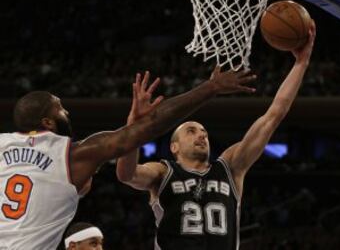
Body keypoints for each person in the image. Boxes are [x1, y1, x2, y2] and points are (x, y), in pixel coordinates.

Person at [0, 67, 255, 249]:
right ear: (47, 121)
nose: (67, 112)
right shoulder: (71, 154)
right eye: (61, 109)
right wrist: (210, 88)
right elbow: (150, 128)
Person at [116, 22, 316, 250]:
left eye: (204, 133)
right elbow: (126, 174)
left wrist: (301, 63)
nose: (201, 136)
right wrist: (133, 128)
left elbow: (273, 115)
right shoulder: (163, 172)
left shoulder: (230, 168)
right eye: (191, 131)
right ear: (174, 147)